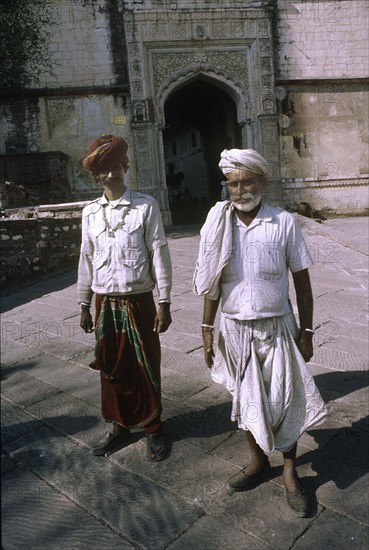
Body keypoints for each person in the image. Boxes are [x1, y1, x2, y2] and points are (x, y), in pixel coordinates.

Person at [193, 148, 327, 517]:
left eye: (247, 181)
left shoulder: (283, 222)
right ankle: (257, 462)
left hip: (278, 326)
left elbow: (302, 282)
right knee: (244, 398)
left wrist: (308, 330)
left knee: (285, 401)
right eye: (232, 183)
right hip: (234, 328)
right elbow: (213, 283)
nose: (239, 189)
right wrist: (206, 328)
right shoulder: (219, 223)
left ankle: (289, 471)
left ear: (263, 182)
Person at [78, 134, 172, 461]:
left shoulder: (146, 206)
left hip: (140, 300)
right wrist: (83, 305)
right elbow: (86, 259)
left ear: (126, 166)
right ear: (96, 175)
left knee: (146, 365)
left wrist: (165, 302)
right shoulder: (90, 213)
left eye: (116, 165)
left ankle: (153, 428)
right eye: (104, 169)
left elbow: (159, 254)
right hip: (105, 304)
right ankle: (118, 426)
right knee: (111, 368)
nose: (111, 173)